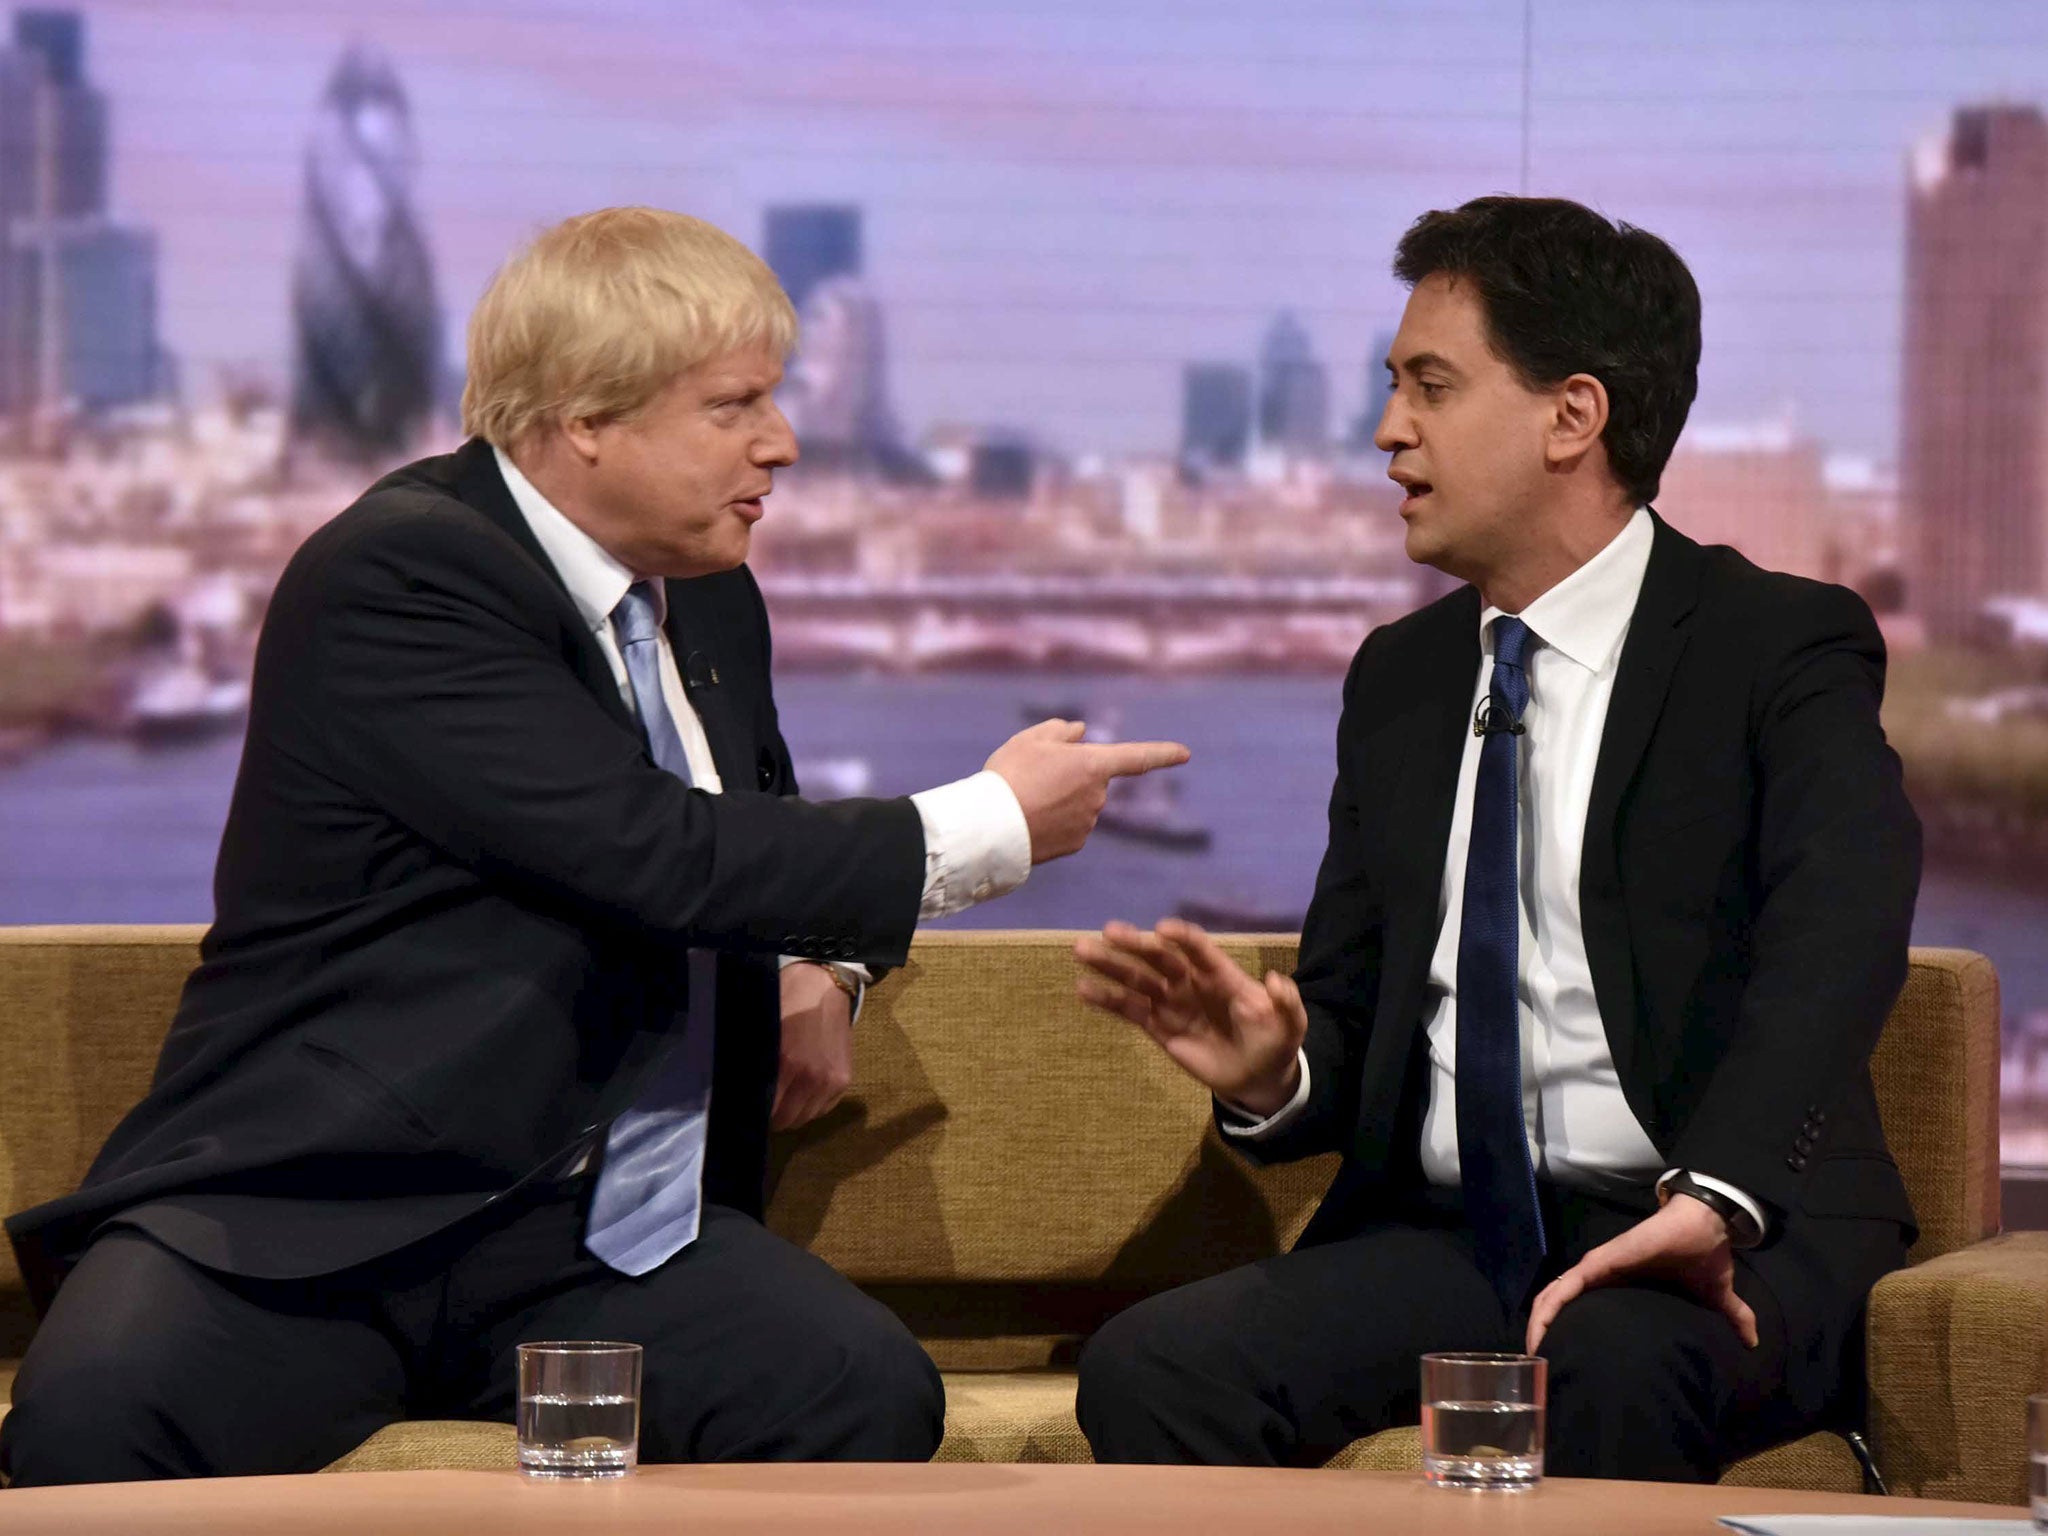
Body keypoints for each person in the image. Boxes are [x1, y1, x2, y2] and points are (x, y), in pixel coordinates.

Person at [0, 206, 1187, 1486]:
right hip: (318, 1214)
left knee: (852, 1391)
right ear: (584, 418)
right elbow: (652, 852)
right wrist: (994, 821)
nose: (781, 445)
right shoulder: (402, 573)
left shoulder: (712, 589)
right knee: (92, 1420)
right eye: (732, 406)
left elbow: (752, 828)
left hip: (594, 1233)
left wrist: (825, 970)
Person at [1071, 195, 1919, 1482]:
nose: (1384, 429)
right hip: (1454, 1238)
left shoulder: (1774, 644)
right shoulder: (1401, 677)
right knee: (1158, 1367)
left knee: (1609, 1365)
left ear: (1570, 417)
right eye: (1390, 385)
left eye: (1429, 384)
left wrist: (1714, 1197)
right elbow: (1354, 1009)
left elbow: (1842, 922)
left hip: (1712, 1231)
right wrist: (1269, 1075)